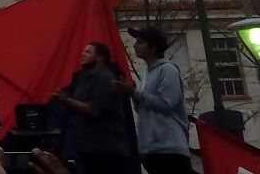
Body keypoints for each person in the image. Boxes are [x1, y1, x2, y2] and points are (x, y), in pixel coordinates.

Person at [113, 27, 192, 174]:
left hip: (169, 147)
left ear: (153, 47)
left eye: (140, 42)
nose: (135, 45)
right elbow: (144, 107)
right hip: (151, 148)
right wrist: (132, 94)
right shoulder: (148, 73)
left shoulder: (167, 70)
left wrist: (134, 92)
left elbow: (167, 103)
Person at [51, 42, 129, 174]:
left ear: (100, 57)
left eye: (88, 52)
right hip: (89, 148)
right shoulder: (84, 79)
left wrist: (67, 100)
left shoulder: (106, 79)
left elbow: (94, 110)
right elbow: (80, 103)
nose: (83, 54)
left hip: (106, 150)